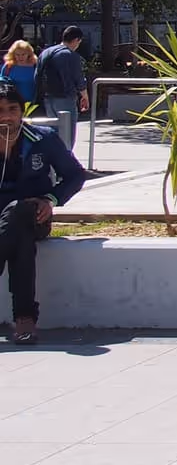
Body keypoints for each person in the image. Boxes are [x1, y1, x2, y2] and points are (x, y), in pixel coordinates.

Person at [0, 80, 85, 343]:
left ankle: (25, 318)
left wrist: (50, 199)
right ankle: (25, 319)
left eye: (12, 109)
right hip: (12, 227)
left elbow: (75, 175)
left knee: (21, 212)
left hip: (34, 215)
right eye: (0, 110)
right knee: (21, 241)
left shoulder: (43, 139)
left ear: (22, 112)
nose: (6, 116)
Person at [35, 28, 88, 147]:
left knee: (53, 132)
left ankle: (54, 162)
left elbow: (36, 75)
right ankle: (66, 161)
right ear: (76, 40)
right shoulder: (71, 55)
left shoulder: (45, 53)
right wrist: (84, 96)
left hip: (48, 98)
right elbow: (78, 79)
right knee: (67, 134)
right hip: (66, 98)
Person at [3, 42, 37, 108]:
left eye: (23, 54)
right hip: (13, 103)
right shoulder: (8, 66)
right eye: (17, 54)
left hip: (33, 104)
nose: (20, 57)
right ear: (13, 54)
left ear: (29, 54)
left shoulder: (35, 66)